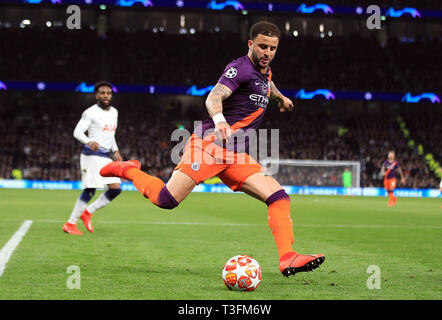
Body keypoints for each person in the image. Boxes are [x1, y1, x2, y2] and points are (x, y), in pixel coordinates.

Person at [100, 21, 325, 277]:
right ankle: (128, 170)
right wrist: (220, 123)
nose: (267, 53)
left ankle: (288, 257)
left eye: (273, 48)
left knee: (279, 198)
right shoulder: (239, 68)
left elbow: (267, 85)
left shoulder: (266, 71)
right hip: (209, 145)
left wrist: (280, 97)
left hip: (235, 155)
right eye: (262, 46)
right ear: (250, 44)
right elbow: (213, 97)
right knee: (166, 200)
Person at [63, 81, 123, 235]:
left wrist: (115, 150)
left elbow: (110, 135)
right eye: (102, 93)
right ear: (96, 95)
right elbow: (77, 132)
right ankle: (70, 223)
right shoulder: (90, 112)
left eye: (108, 93)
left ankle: (87, 212)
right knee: (90, 189)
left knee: (116, 189)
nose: (105, 95)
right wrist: (89, 141)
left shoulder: (114, 112)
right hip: (91, 155)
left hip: (105, 155)